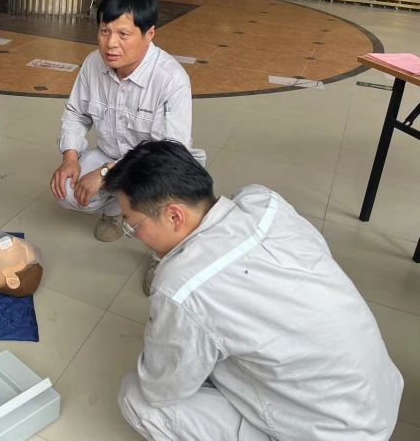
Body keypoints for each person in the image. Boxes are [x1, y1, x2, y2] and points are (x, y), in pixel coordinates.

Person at [102, 140, 403, 441]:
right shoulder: (264, 202)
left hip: (329, 433)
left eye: (133, 225)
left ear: (174, 216)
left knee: (137, 399)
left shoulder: (182, 286)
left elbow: (160, 389)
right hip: (378, 400)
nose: (135, 236)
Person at [50, 0, 203, 293]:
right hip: (110, 153)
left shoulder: (171, 79)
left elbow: (167, 152)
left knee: (165, 196)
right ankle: (115, 213)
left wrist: (106, 173)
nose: (111, 44)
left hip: (159, 167)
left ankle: (162, 255)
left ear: (149, 34)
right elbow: (76, 113)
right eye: (104, 31)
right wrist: (70, 158)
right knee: (66, 190)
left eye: (123, 34)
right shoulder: (93, 64)